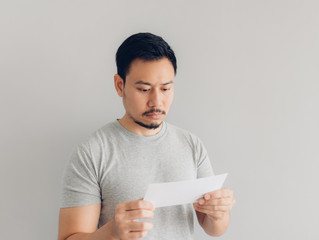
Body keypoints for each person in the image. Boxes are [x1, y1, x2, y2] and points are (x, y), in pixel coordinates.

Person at [58, 32, 235, 240]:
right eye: (144, 89)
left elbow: (214, 228)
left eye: (166, 88)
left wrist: (218, 214)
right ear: (119, 85)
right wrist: (112, 232)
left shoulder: (191, 145)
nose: (156, 102)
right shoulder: (92, 152)